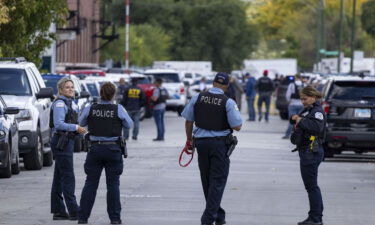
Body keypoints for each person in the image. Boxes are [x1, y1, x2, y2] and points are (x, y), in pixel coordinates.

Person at [181, 72, 242, 225]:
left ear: (213, 83)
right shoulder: (228, 102)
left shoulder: (197, 97)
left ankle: (219, 215)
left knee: (207, 180)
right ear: (227, 86)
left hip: (201, 144)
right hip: (219, 145)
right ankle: (207, 220)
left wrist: (189, 140)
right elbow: (237, 126)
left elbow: (189, 121)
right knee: (218, 181)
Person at [78, 82, 134, 224]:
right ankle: (115, 219)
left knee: (90, 183)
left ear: (100, 93)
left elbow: (81, 122)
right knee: (113, 185)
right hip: (113, 149)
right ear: (113, 94)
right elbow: (129, 124)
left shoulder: (91, 108)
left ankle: (82, 218)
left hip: (95, 149)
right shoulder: (118, 109)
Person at [50, 77, 86, 221]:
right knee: (68, 177)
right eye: (67, 87)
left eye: (72, 87)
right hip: (61, 142)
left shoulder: (71, 103)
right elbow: (58, 124)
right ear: (60, 90)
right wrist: (76, 127)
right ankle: (74, 211)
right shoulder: (60, 104)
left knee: (59, 177)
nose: (71, 89)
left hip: (67, 142)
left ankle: (58, 211)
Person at [290, 86, 325, 225]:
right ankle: (314, 216)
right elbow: (300, 121)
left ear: (313, 97)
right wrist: (295, 119)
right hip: (306, 151)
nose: (302, 101)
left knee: (311, 186)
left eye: (305, 98)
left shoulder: (317, 112)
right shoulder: (308, 110)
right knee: (311, 186)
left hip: (311, 152)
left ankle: (316, 218)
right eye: (301, 99)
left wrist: (300, 120)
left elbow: (317, 128)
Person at [282, 74, 305, 139]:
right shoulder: (304, 85)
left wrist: (289, 101)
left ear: (295, 78)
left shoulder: (291, 85)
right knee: (300, 121)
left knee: (291, 120)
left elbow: (288, 95)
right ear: (300, 78)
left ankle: (287, 135)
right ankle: (300, 135)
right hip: (301, 105)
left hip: (292, 104)